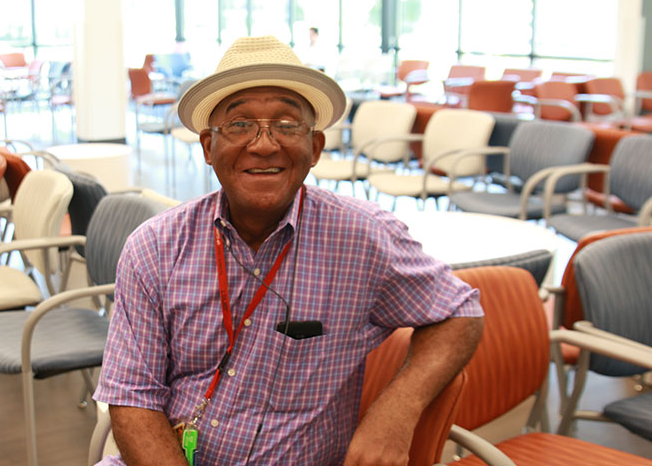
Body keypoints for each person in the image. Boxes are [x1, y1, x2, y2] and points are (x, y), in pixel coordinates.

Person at [93, 35, 484, 466]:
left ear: (315, 148)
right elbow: (133, 397)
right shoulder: (154, 248)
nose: (263, 145)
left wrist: (397, 410)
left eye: (286, 124)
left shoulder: (364, 239)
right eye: (240, 124)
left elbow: (460, 312)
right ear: (208, 146)